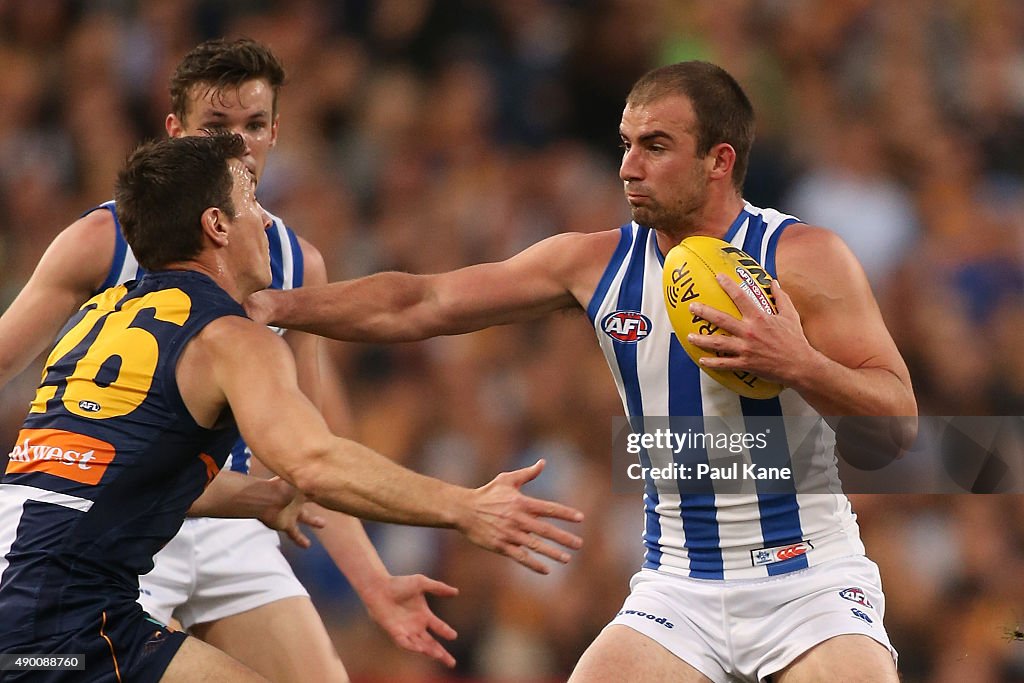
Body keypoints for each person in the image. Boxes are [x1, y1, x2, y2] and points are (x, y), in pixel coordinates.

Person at [247, 61, 918, 682]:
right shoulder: (593, 264)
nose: (627, 166)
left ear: (720, 160)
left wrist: (798, 363)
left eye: (654, 146)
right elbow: (421, 301)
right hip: (677, 584)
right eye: (625, 143)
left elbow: (896, 426)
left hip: (808, 578)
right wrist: (278, 303)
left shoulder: (803, 258)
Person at [0, 133, 583, 683]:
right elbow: (315, 460)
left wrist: (257, 497)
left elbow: (104, 471)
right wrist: (465, 507)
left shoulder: (102, 321)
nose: (268, 220)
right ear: (217, 226)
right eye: (253, 202)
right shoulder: (231, 338)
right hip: (67, 627)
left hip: (34, 605)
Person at [0, 38, 467, 677]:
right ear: (176, 133)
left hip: (228, 513)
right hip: (124, 522)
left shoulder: (295, 262)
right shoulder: (101, 241)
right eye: (217, 129)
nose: (240, 146)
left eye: (253, 127)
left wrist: (374, 580)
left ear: (277, 131)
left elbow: (317, 445)